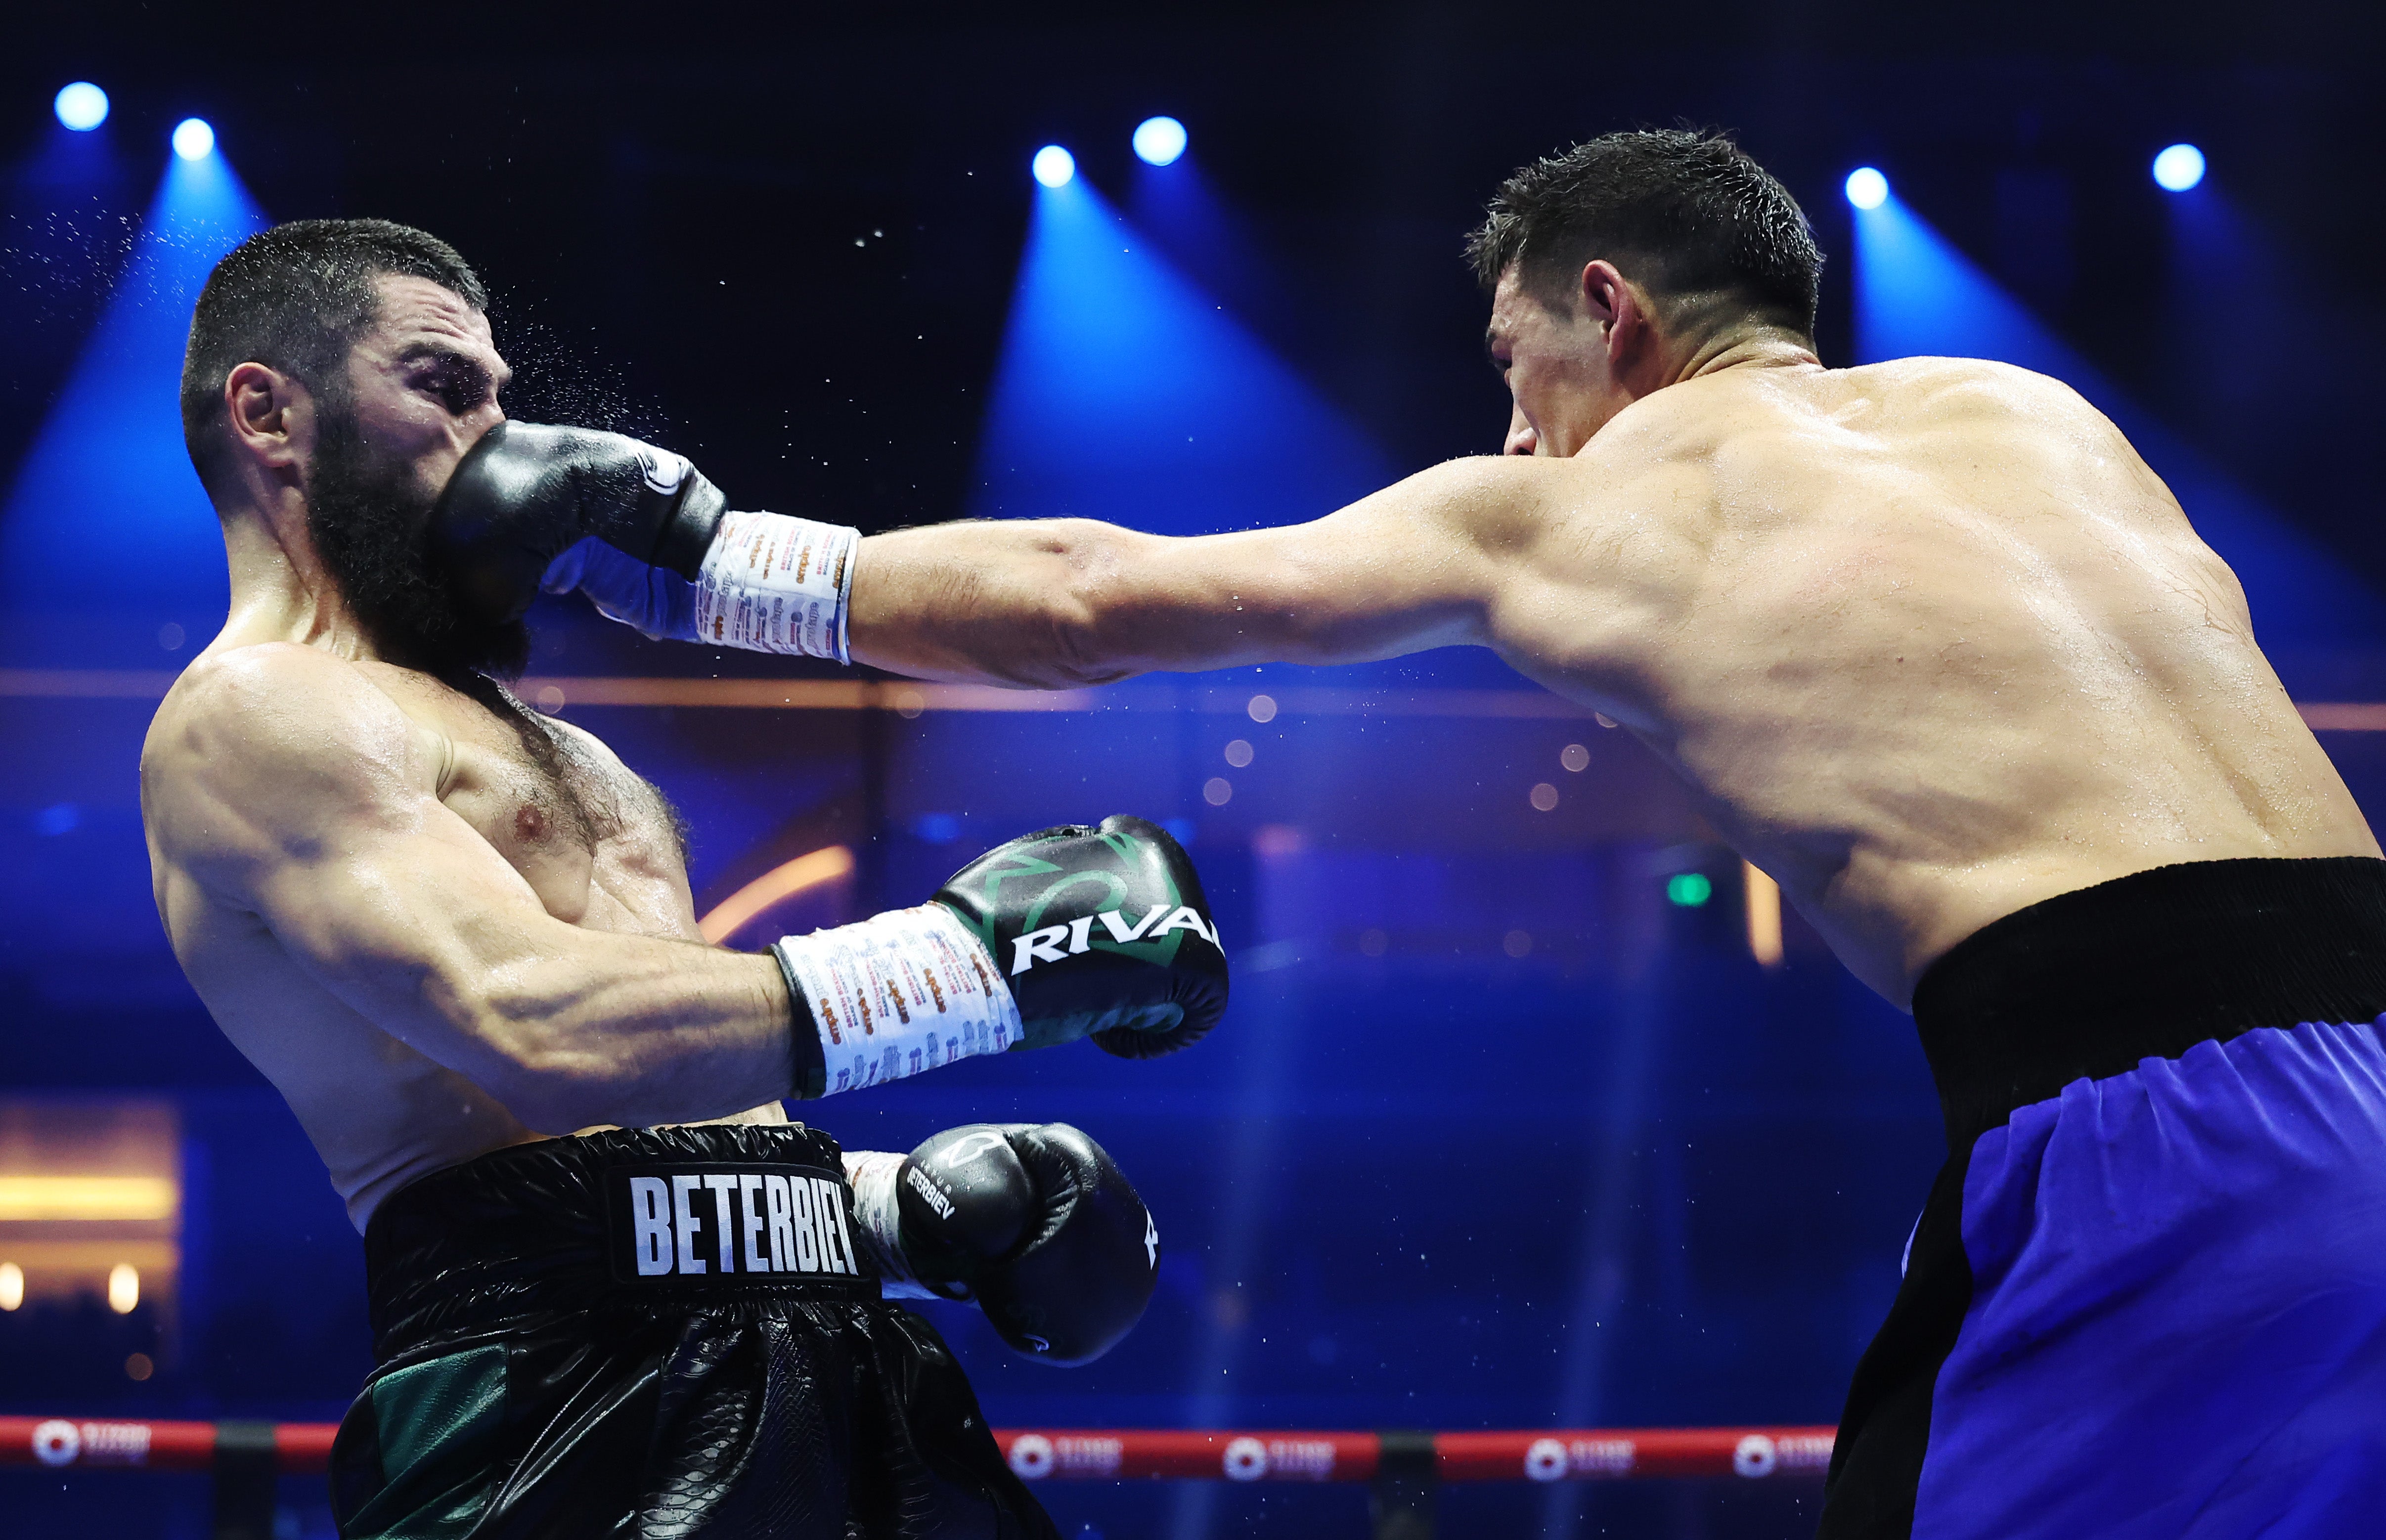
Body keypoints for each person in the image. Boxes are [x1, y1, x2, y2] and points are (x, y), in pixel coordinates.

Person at [489, 131, 2386, 1538]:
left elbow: (1084, 591)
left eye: (1516, 361)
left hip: (2160, 1126)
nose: (1514, 419)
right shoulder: (2035, 414)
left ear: (1610, 311)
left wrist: (702, 567)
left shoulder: (1564, 505)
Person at [140, 219, 1227, 1539]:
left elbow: (667, 1125)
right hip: (547, 1398)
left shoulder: (568, 747)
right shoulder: (252, 712)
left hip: (828, 1360)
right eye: (443, 387)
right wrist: (972, 969)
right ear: (267, 413)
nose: (497, 434)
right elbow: (537, 1028)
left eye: (502, 393)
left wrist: (900, 1215)